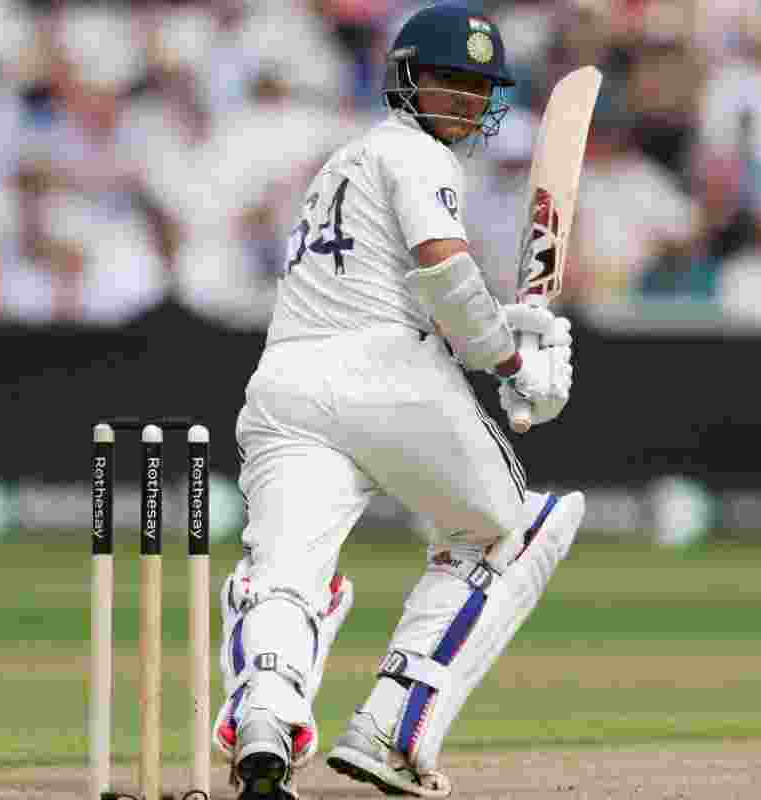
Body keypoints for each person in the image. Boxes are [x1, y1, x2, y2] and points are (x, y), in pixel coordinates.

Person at [211, 5, 583, 799]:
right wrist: (516, 361)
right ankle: (390, 726)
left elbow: (408, 287)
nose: (466, 101)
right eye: (449, 82)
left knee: (285, 576)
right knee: (513, 529)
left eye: (480, 89)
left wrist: (498, 335)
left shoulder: (342, 163)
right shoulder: (417, 154)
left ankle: (264, 729)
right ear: (407, 82)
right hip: (382, 374)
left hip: (284, 385)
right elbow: (445, 276)